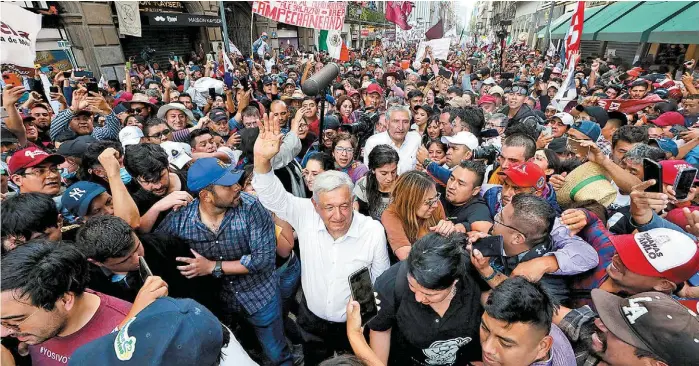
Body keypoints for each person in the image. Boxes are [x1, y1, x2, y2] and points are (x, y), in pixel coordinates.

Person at [251, 116, 389, 365]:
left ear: (353, 202)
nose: (338, 216)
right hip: (311, 320)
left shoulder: (372, 231)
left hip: (354, 326)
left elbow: (380, 279)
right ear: (315, 205)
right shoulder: (305, 213)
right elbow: (273, 197)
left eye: (344, 206)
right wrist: (262, 161)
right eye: (329, 207)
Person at [156, 158, 292, 365]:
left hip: (260, 298)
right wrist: (156, 208)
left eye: (236, 181)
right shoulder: (181, 219)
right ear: (205, 195)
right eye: (228, 185)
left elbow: (263, 260)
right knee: (239, 349)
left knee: (276, 353)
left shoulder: (251, 207)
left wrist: (211, 267)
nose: (238, 187)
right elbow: (149, 242)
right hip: (222, 304)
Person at [0, 241, 132, 365]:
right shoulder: (36, 320)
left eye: (15, 321)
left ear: (65, 300)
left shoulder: (128, 336)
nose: (3, 332)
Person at [367, 233, 483, 365]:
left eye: (430, 294)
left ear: (454, 281)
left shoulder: (475, 274)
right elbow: (380, 330)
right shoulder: (388, 284)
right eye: (412, 286)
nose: (419, 298)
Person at [469, 194, 598, 303]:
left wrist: (486, 271)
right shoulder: (531, 235)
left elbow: (518, 305)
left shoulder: (544, 282)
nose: (494, 218)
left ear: (517, 239)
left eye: (499, 219)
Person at [554, 289, 699, 366]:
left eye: (618, 331)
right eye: (612, 318)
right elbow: (544, 309)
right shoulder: (600, 334)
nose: (599, 322)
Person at [480, 277, 576, 366]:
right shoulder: (537, 326)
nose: (486, 348)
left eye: (505, 343)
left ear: (543, 347)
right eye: (485, 328)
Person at [382, 171, 456, 261]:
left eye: (436, 197)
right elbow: (406, 256)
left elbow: (448, 241)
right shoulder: (391, 214)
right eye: (428, 202)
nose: (435, 205)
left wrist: (448, 229)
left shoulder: (435, 203)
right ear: (409, 202)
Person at [364, 106, 422, 175]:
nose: (401, 127)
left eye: (405, 122)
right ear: (387, 122)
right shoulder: (373, 142)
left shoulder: (416, 139)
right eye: (396, 121)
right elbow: (369, 173)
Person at [443, 160, 493, 233]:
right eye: (451, 179)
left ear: (475, 191)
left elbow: (484, 233)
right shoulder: (437, 191)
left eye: (460, 184)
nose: (451, 186)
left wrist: (465, 227)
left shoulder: (478, 210)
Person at [354, 144, 399, 221]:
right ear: (373, 170)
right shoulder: (363, 185)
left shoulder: (403, 186)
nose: (390, 178)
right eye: (384, 173)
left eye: (393, 172)